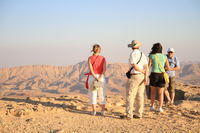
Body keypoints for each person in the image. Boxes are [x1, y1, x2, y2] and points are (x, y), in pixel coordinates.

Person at [121, 40, 148, 119]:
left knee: (130, 95)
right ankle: (139, 114)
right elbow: (146, 66)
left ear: (132, 47)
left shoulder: (133, 54)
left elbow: (134, 65)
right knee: (140, 96)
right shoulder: (143, 54)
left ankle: (129, 115)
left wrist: (141, 70)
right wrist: (145, 76)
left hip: (135, 76)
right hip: (142, 77)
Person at [148, 43, 172, 113]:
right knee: (161, 93)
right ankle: (160, 108)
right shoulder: (164, 57)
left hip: (154, 75)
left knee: (152, 92)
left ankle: (152, 106)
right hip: (162, 75)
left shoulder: (151, 56)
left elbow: (149, 66)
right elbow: (168, 67)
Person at [85, 44, 106, 116]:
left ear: (93, 50)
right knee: (101, 94)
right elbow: (104, 69)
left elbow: (91, 70)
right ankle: (103, 111)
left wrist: (95, 77)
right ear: (99, 50)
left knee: (93, 94)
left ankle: (94, 111)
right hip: (100, 77)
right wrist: (100, 77)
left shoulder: (90, 58)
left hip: (92, 77)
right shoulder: (103, 58)